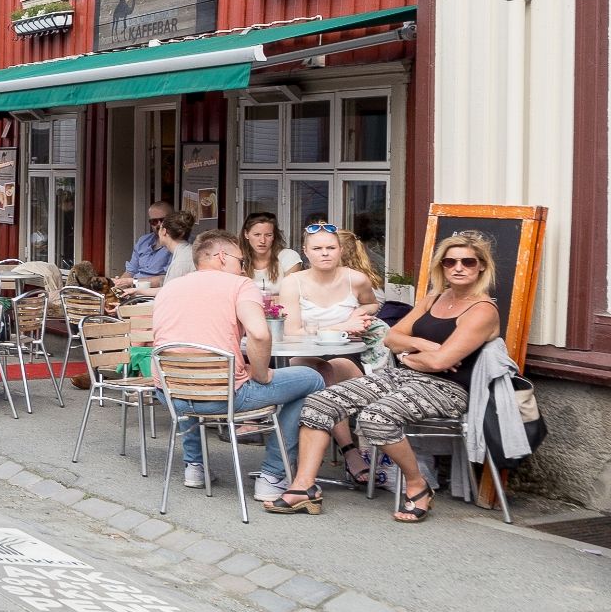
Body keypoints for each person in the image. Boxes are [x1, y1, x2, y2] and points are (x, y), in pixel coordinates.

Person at [269, 233, 502, 521]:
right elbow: (392, 337)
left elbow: (443, 362)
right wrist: (419, 348)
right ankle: (304, 488)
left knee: (376, 418)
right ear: (441, 266)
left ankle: (417, 485)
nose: (458, 267)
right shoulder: (433, 299)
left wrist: (411, 355)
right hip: (402, 376)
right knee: (319, 401)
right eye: (449, 261)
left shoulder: (482, 310)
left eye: (467, 261)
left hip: (449, 389)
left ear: (481, 266)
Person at [151, 231, 324, 502]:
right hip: (223, 396)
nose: (244, 268)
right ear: (222, 257)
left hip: (171, 396)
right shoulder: (240, 285)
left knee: (197, 374)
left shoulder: (169, 288)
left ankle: (195, 466)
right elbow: (259, 333)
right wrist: (261, 373)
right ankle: (272, 475)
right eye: (241, 261)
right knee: (311, 378)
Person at [276, 223, 390, 485]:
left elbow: (371, 302)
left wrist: (362, 313)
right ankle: (349, 451)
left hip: (346, 353)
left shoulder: (355, 278)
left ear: (340, 250)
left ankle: (301, 467)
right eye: (317, 248)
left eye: (330, 247)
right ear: (306, 252)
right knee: (318, 372)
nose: (324, 253)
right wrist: (341, 326)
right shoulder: (293, 282)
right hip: (302, 354)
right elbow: (293, 331)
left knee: (332, 368)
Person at [113, 201, 174, 290]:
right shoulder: (143, 241)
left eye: (163, 220)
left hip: (155, 293)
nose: (159, 224)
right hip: (133, 290)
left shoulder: (177, 245)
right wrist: (119, 283)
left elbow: (167, 279)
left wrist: (133, 282)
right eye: (154, 221)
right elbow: (130, 271)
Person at [241, 212, 303, 289]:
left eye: (268, 235)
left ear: (274, 236)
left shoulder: (288, 257)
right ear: (246, 234)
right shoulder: (238, 258)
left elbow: (292, 293)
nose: (262, 241)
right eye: (257, 235)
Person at [159, 211, 197, 283]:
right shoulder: (189, 251)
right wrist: (138, 291)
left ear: (164, 231)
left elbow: (169, 292)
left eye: (159, 228)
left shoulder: (180, 262)